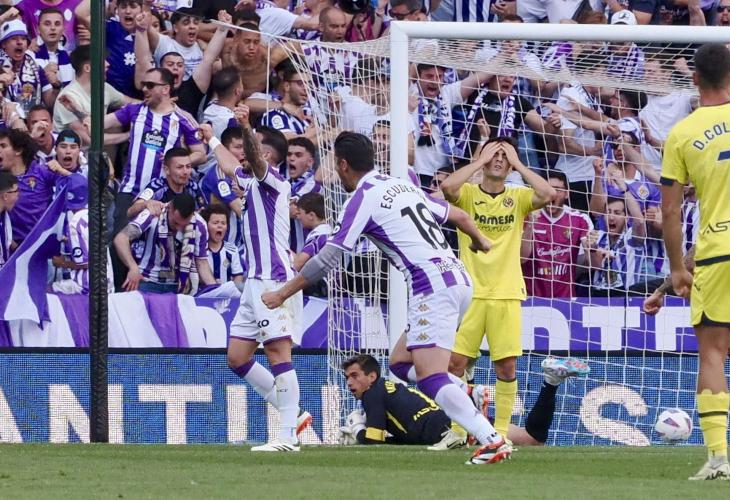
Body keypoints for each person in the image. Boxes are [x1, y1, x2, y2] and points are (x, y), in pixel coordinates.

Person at [261, 132, 511, 465]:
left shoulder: (362, 198)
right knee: (400, 363)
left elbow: (330, 257)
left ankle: (491, 439)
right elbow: (462, 217)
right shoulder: (403, 186)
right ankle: (468, 392)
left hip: (430, 286)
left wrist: (283, 293)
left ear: (343, 164)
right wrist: (480, 241)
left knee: (431, 377)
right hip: (458, 279)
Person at [199, 112, 311, 453]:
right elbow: (229, 163)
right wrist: (211, 138)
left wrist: (246, 126)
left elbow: (251, 158)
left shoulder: (273, 181)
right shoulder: (250, 183)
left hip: (272, 280)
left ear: (266, 155)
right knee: (237, 357)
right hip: (253, 283)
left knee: (278, 353)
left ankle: (287, 436)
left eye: (252, 148)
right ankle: (294, 415)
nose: (243, 154)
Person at [439, 137, 555, 444]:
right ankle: (458, 432)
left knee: (505, 366)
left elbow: (548, 193)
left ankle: (500, 434)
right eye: (494, 153)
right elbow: (447, 188)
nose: (499, 159)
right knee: (454, 364)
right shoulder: (468, 194)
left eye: (505, 155)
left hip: (506, 293)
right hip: (471, 294)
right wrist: (479, 160)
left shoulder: (518, 197)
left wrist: (518, 163)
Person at [660, 43, 730, 481]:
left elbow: (670, 211)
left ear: (694, 78)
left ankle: (720, 457)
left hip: (718, 249)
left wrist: (676, 269)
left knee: (713, 352)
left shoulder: (682, 133)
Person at [338, 354, 589, 448]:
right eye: (347, 377)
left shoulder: (372, 394)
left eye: (355, 376)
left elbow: (374, 440)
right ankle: (550, 382)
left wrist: (358, 430)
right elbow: (400, 439)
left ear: (372, 376)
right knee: (533, 439)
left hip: (445, 429)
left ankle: (468, 388)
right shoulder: (386, 388)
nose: (350, 382)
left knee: (532, 441)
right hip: (450, 418)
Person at [104, 67, 205, 234]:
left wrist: (176, 160)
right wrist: (78, 111)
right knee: (120, 241)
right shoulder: (134, 110)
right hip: (130, 191)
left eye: (150, 85)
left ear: (165, 89)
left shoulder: (182, 118)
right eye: (143, 84)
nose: (144, 89)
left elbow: (201, 154)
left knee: (158, 242)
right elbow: (98, 124)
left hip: (161, 193)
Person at [113, 192, 216, 294]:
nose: (178, 228)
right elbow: (121, 239)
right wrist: (133, 267)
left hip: (179, 286)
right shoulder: (153, 214)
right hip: (147, 281)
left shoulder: (199, 224)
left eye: (184, 225)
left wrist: (215, 291)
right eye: (175, 222)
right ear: (169, 208)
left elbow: (201, 262)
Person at [522, 170, 593, 298]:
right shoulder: (527, 216)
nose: (553, 193)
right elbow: (521, 258)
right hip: (531, 299)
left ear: (567, 193)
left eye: (558, 189)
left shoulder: (580, 219)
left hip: (565, 299)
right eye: (548, 188)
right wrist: (530, 226)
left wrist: (592, 248)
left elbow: (590, 266)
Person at [127, 147, 207, 220]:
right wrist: (146, 204)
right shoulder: (157, 186)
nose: (185, 172)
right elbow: (130, 212)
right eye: (179, 167)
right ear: (167, 170)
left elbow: (204, 211)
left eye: (188, 167)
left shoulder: (193, 187)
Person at [201, 204, 245, 287]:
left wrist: (232, 290)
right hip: (203, 293)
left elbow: (238, 276)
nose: (220, 226)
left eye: (223, 223)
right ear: (206, 225)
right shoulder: (200, 250)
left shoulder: (232, 250)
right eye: (215, 223)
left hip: (226, 294)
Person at [0, 171, 19, 269]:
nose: (18, 195)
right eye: (16, 191)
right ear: (5, 196)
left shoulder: (4, 214)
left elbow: (9, 240)